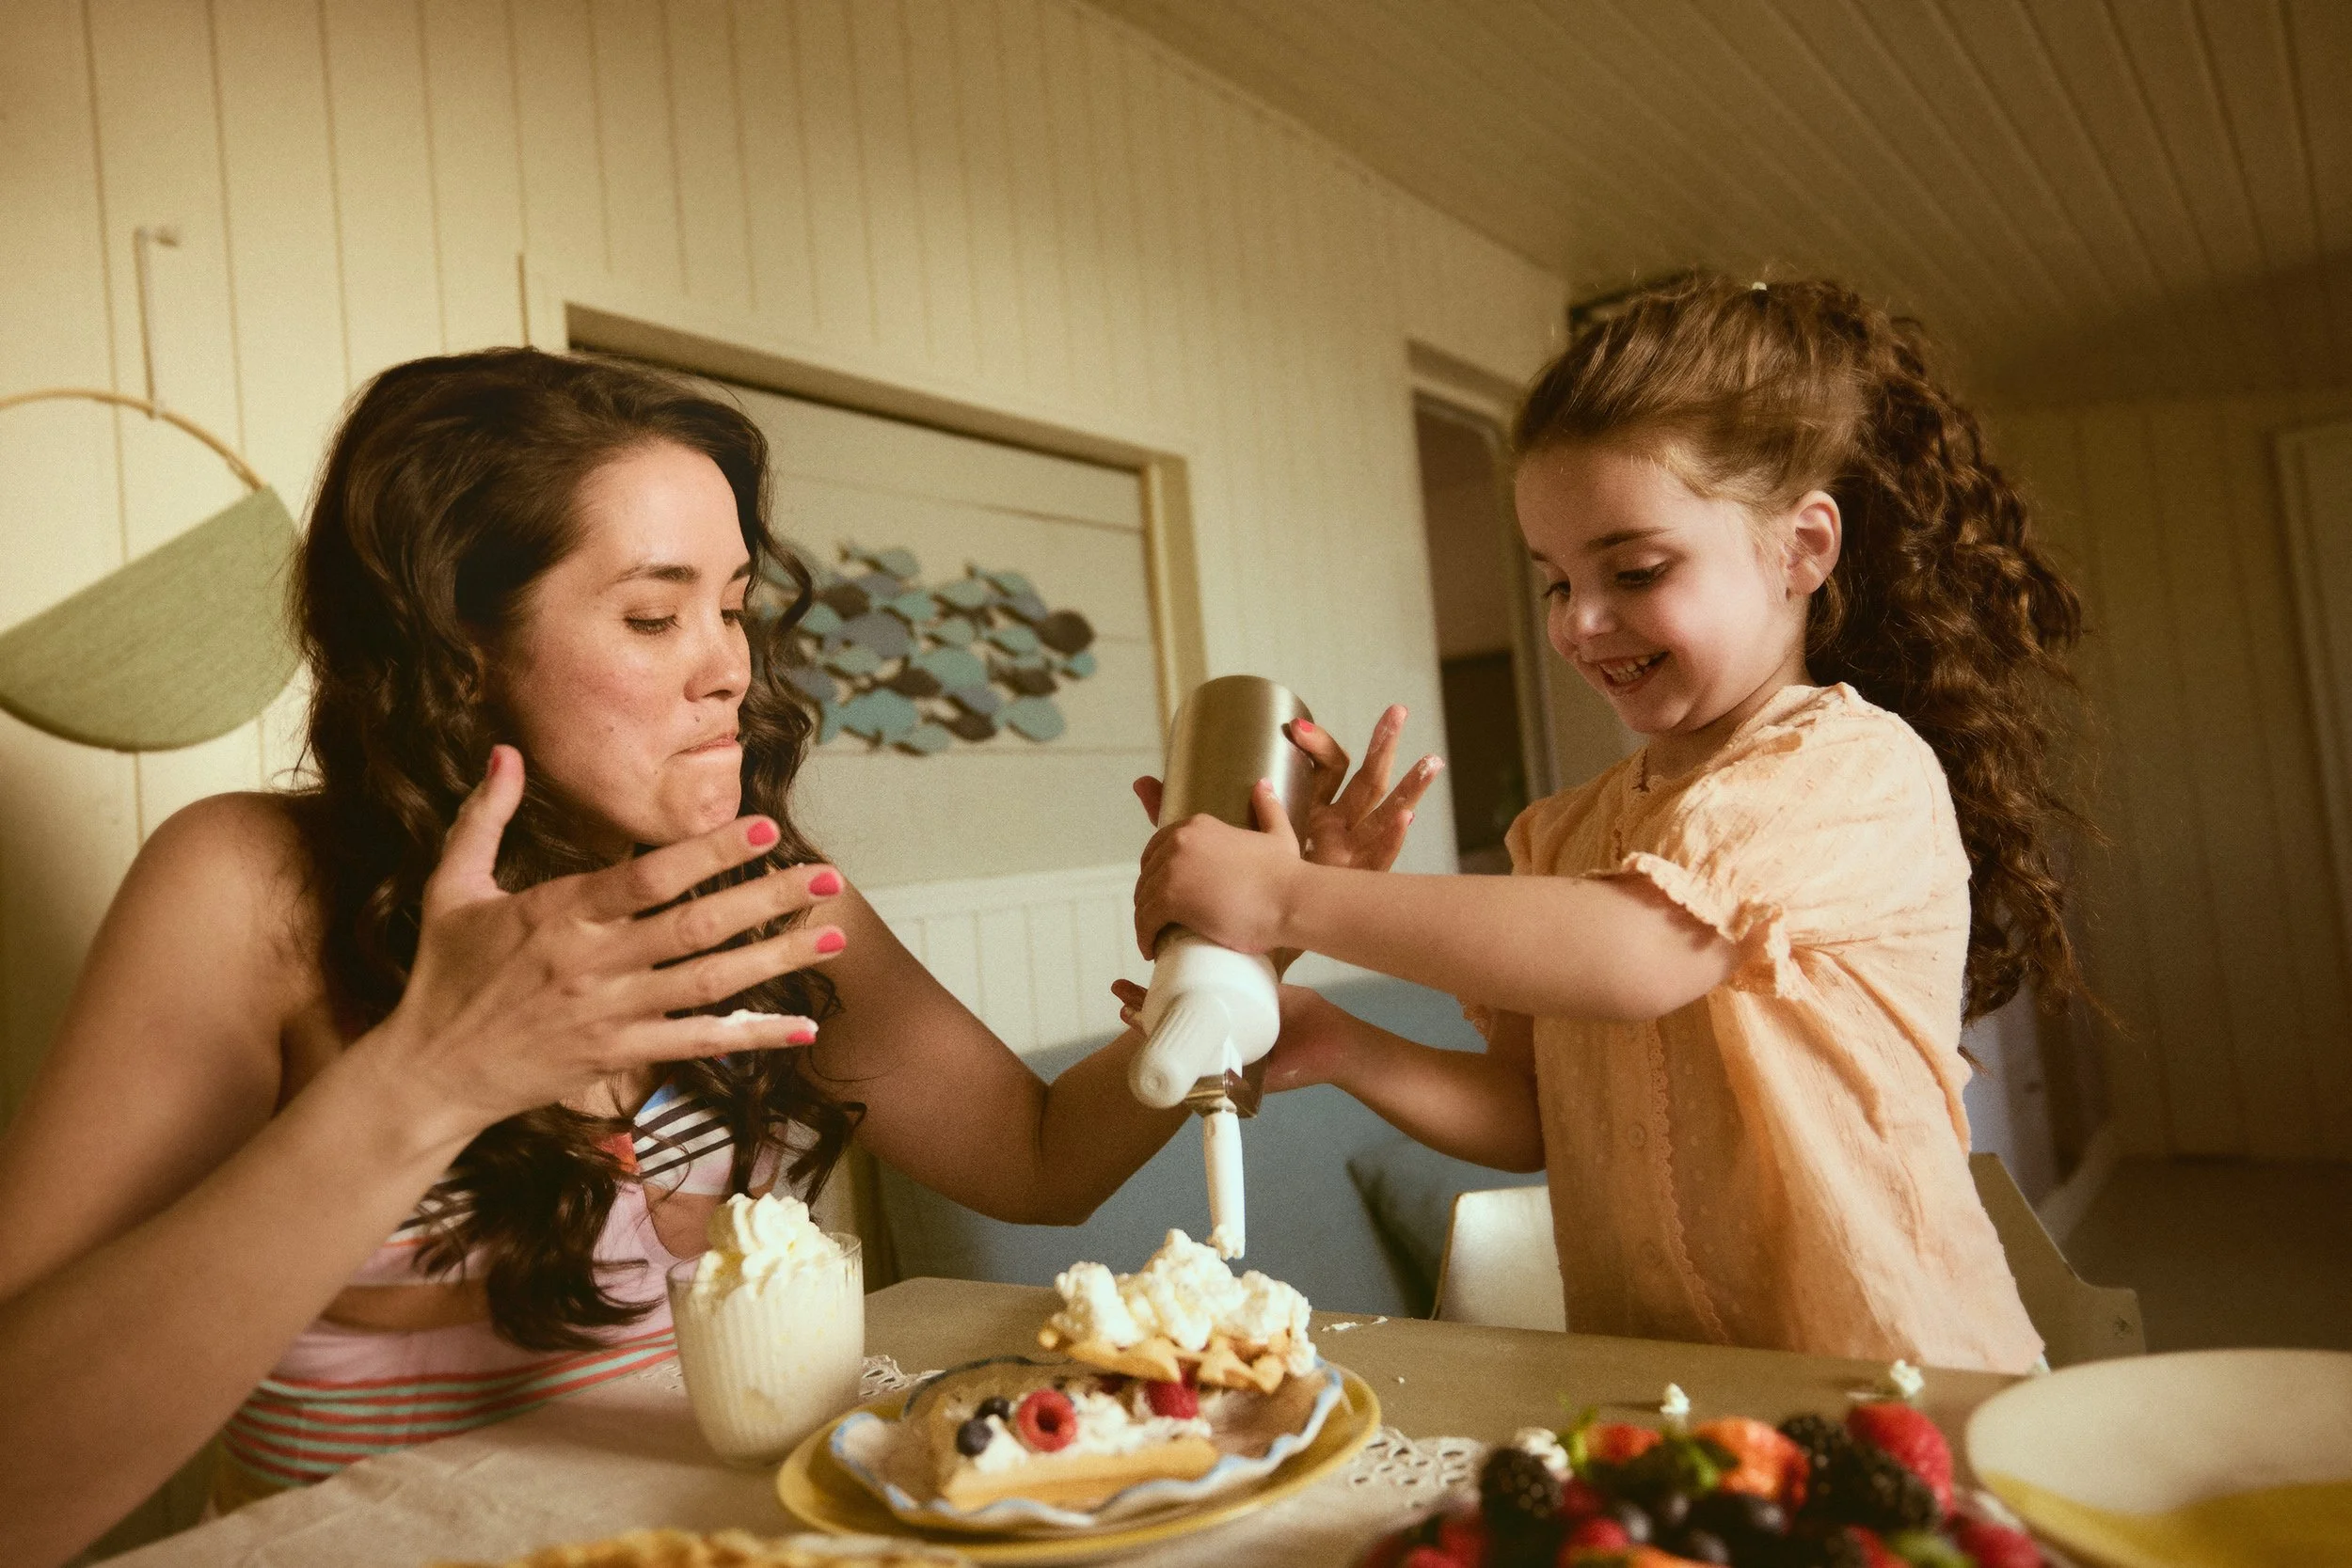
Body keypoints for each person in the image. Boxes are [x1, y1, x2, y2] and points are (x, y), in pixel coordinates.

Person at [0, 348, 1430, 1567]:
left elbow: (1040, 1156)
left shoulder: (753, 882)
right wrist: (430, 1076)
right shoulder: (252, 886)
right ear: (456, 648)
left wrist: (1235, 958)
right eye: (651, 613)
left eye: (732, 605)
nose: (729, 666)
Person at [1129, 275, 2086, 1373]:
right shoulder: (1564, 833)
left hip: (1897, 1382)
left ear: (1802, 548)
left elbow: (1634, 954)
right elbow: (1534, 1114)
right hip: (1664, 1389)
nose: (1580, 623)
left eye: (1635, 570)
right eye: (1553, 581)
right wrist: (1343, 1042)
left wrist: (1286, 895)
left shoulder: (1844, 768)